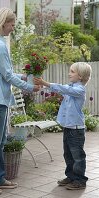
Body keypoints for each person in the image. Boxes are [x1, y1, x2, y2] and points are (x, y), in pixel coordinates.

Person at [0, 7, 40, 195]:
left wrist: (22, 75)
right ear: (3, 23)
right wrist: (29, 86)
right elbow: (7, 76)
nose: (13, 27)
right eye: (12, 24)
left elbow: (3, 73)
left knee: (0, 140)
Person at [34, 62, 92, 190]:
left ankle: (80, 180)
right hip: (68, 127)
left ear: (81, 76)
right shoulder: (71, 87)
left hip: (76, 130)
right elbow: (60, 89)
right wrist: (42, 87)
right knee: (68, 154)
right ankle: (71, 176)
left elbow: (64, 89)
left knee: (77, 156)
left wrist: (46, 83)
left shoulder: (79, 89)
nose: (69, 73)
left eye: (72, 71)